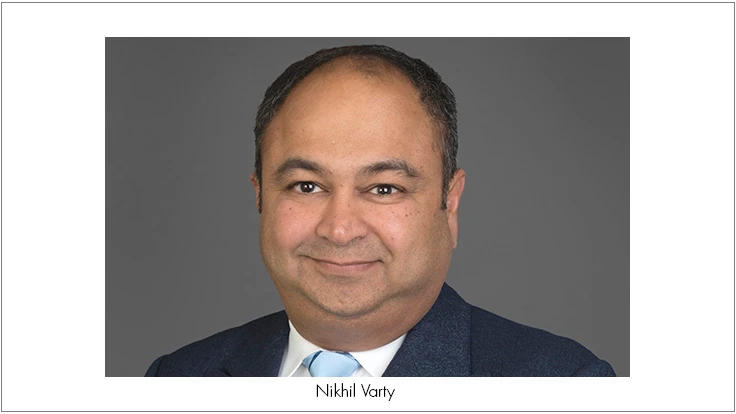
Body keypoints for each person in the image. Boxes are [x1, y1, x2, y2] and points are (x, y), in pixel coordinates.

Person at [145, 44, 615, 377]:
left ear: (449, 204)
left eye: (384, 189)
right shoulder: (179, 378)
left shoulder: (563, 384)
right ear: (260, 197)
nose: (340, 229)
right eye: (307, 186)